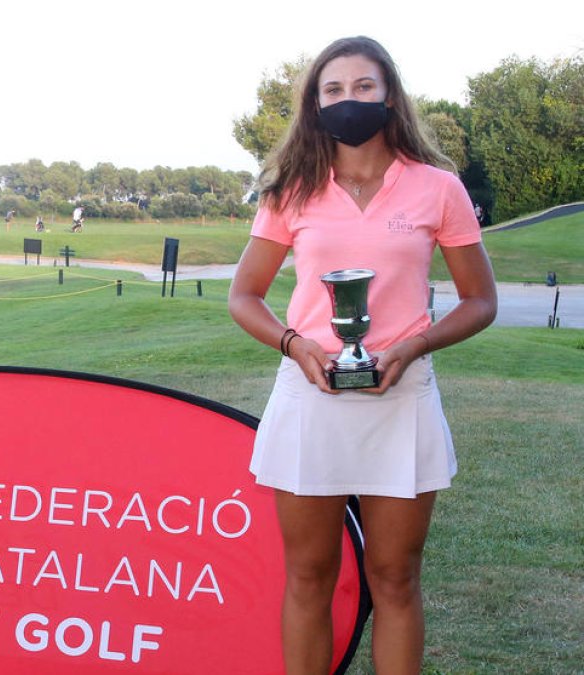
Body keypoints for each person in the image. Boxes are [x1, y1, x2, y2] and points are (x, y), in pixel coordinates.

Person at [227, 36, 496, 674]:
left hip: (401, 397)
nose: (350, 100)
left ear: (390, 95)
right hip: (310, 395)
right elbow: (245, 296)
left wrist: (416, 344)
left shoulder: (438, 188)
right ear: (316, 105)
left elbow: (479, 300)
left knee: (395, 576)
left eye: (364, 87)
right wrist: (296, 347)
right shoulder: (290, 190)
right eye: (334, 90)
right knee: (310, 575)